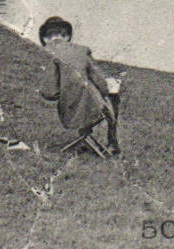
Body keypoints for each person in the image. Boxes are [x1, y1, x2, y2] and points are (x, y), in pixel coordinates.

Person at [38, 15, 118, 154]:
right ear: (67, 36)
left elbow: (48, 92)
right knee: (113, 97)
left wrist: (65, 89)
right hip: (94, 109)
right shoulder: (82, 50)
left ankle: (85, 136)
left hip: (70, 112)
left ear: (45, 39)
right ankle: (112, 142)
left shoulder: (52, 55)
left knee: (85, 100)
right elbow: (101, 83)